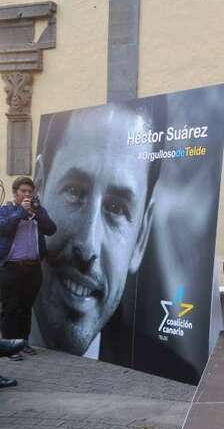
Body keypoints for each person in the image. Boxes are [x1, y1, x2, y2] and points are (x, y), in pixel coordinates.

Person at [31, 103, 159, 358]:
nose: (88, 246)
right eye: (74, 191)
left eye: (116, 207)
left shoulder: (178, 376)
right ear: (38, 190)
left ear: (141, 238)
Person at [0, 176, 57, 361]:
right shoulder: (6, 210)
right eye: (23, 191)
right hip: (11, 268)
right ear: (15, 193)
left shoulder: (38, 212)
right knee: (11, 308)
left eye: (30, 192)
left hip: (33, 268)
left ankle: (23, 342)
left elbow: (51, 229)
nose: (27, 194)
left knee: (26, 307)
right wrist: (19, 213)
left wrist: (37, 212)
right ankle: (9, 347)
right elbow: (4, 228)